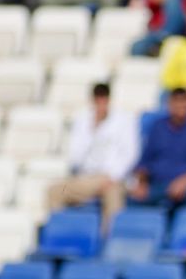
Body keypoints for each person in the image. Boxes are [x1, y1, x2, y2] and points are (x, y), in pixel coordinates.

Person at [44, 82, 138, 230]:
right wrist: (94, 127)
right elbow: (76, 155)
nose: (101, 102)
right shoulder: (83, 120)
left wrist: (112, 176)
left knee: (113, 198)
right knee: (55, 191)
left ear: (108, 99)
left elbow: (130, 153)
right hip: (86, 179)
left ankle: (107, 241)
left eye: (103, 98)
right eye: (97, 98)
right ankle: (61, 233)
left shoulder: (124, 120)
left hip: (111, 178)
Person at [128, 86, 186, 209]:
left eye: (184, 102)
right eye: (176, 102)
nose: (180, 106)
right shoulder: (157, 128)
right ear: (169, 104)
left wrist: (184, 182)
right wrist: (142, 182)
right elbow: (144, 161)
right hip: (157, 184)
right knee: (133, 198)